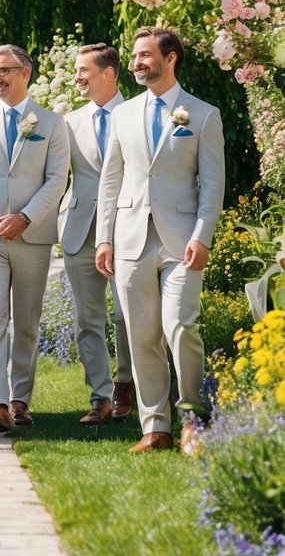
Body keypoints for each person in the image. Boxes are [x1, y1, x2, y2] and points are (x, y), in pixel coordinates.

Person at [96, 27, 225, 452]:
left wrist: (203, 236)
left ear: (170, 59)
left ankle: (192, 419)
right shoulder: (123, 114)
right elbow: (110, 180)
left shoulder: (203, 114)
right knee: (141, 335)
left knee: (180, 326)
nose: (137, 62)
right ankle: (155, 428)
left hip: (181, 242)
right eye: (135, 55)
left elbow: (212, 185)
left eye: (145, 55)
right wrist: (104, 239)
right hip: (130, 238)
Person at [0, 43, 69, 435]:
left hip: (33, 236)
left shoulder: (52, 123)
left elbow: (57, 180)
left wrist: (25, 217)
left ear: (25, 73)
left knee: (26, 322)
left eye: (3, 70)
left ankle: (21, 399)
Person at [59, 43, 132, 425]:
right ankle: (100, 397)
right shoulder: (69, 122)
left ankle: (126, 383)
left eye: (84, 70)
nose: (77, 77)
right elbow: (56, 178)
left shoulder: (136, 115)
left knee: (126, 317)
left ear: (108, 73)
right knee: (87, 320)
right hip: (79, 230)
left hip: (127, 230)